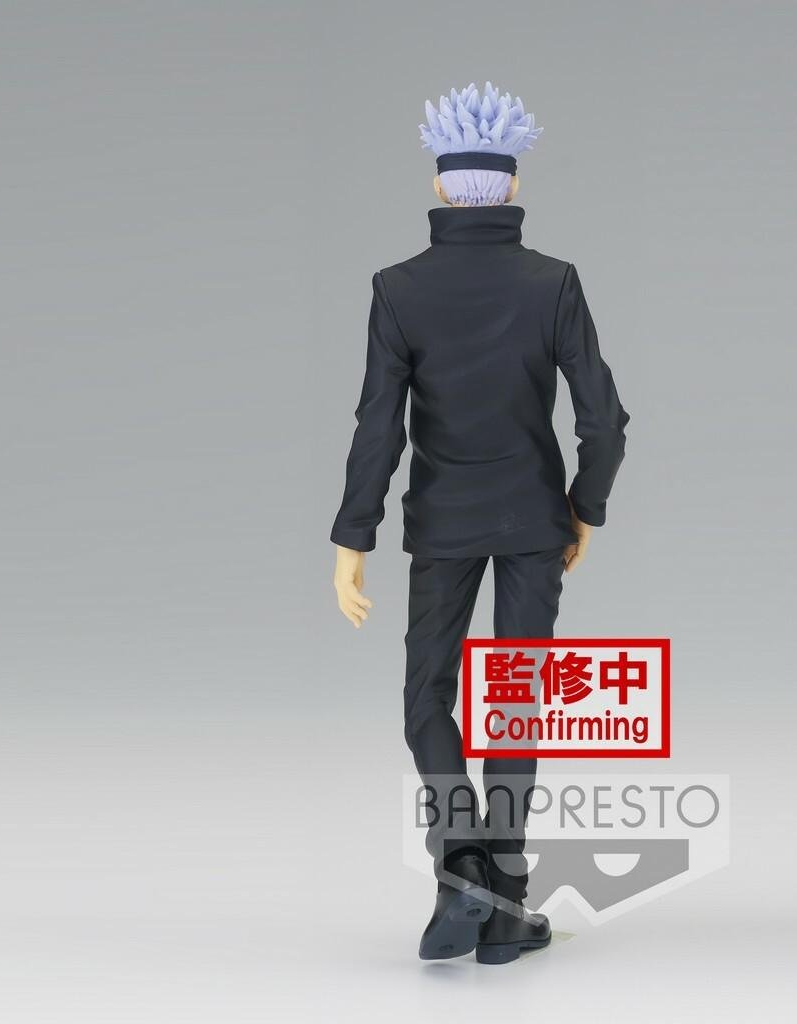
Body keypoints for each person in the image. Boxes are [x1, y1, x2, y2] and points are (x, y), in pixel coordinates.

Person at [330, 82, 628, 964]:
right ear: (513, 185)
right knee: (516, 701)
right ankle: (503, 906)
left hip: (441, 525)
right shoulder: (553, 282)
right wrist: (586, 506)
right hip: (536, 519)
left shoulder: (398, 289)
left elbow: (378, 426)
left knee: (428, 696)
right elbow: (604, 421)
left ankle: (459, 864)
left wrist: (352, 539)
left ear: (437, 187)